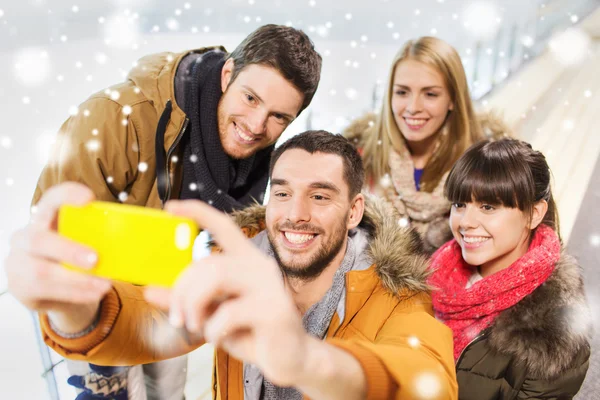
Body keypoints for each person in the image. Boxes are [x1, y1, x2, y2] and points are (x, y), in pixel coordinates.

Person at [8, 131, 458, 399]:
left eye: (320, 196)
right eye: (282, 193)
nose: (295, 213)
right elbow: (151, 320)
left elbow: (426, 382)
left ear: (355, 210)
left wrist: (307, 361)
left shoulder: (397, 294)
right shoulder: (240, 265)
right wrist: (75, 306)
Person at [30, 24, 322, 399]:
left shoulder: (259, 161)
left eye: (279, 117)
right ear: (228, 74)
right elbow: (58, 228)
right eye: (250, 98)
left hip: (172, 293)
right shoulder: (117, 117)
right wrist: (100, 334)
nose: (256, 125)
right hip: (100, 299)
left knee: (169, 394)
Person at [428, 138, 592, 399]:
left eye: (488, 207)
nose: (466, 222)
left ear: (534, 213)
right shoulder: (427, 271)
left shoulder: (554, 334)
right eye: (459, 204)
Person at [344, 36, 509, 253]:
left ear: (453, 99)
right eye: (402, 92)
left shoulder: (489, 167)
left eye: (430, 94)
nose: (413, 107)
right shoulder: (356, 160)